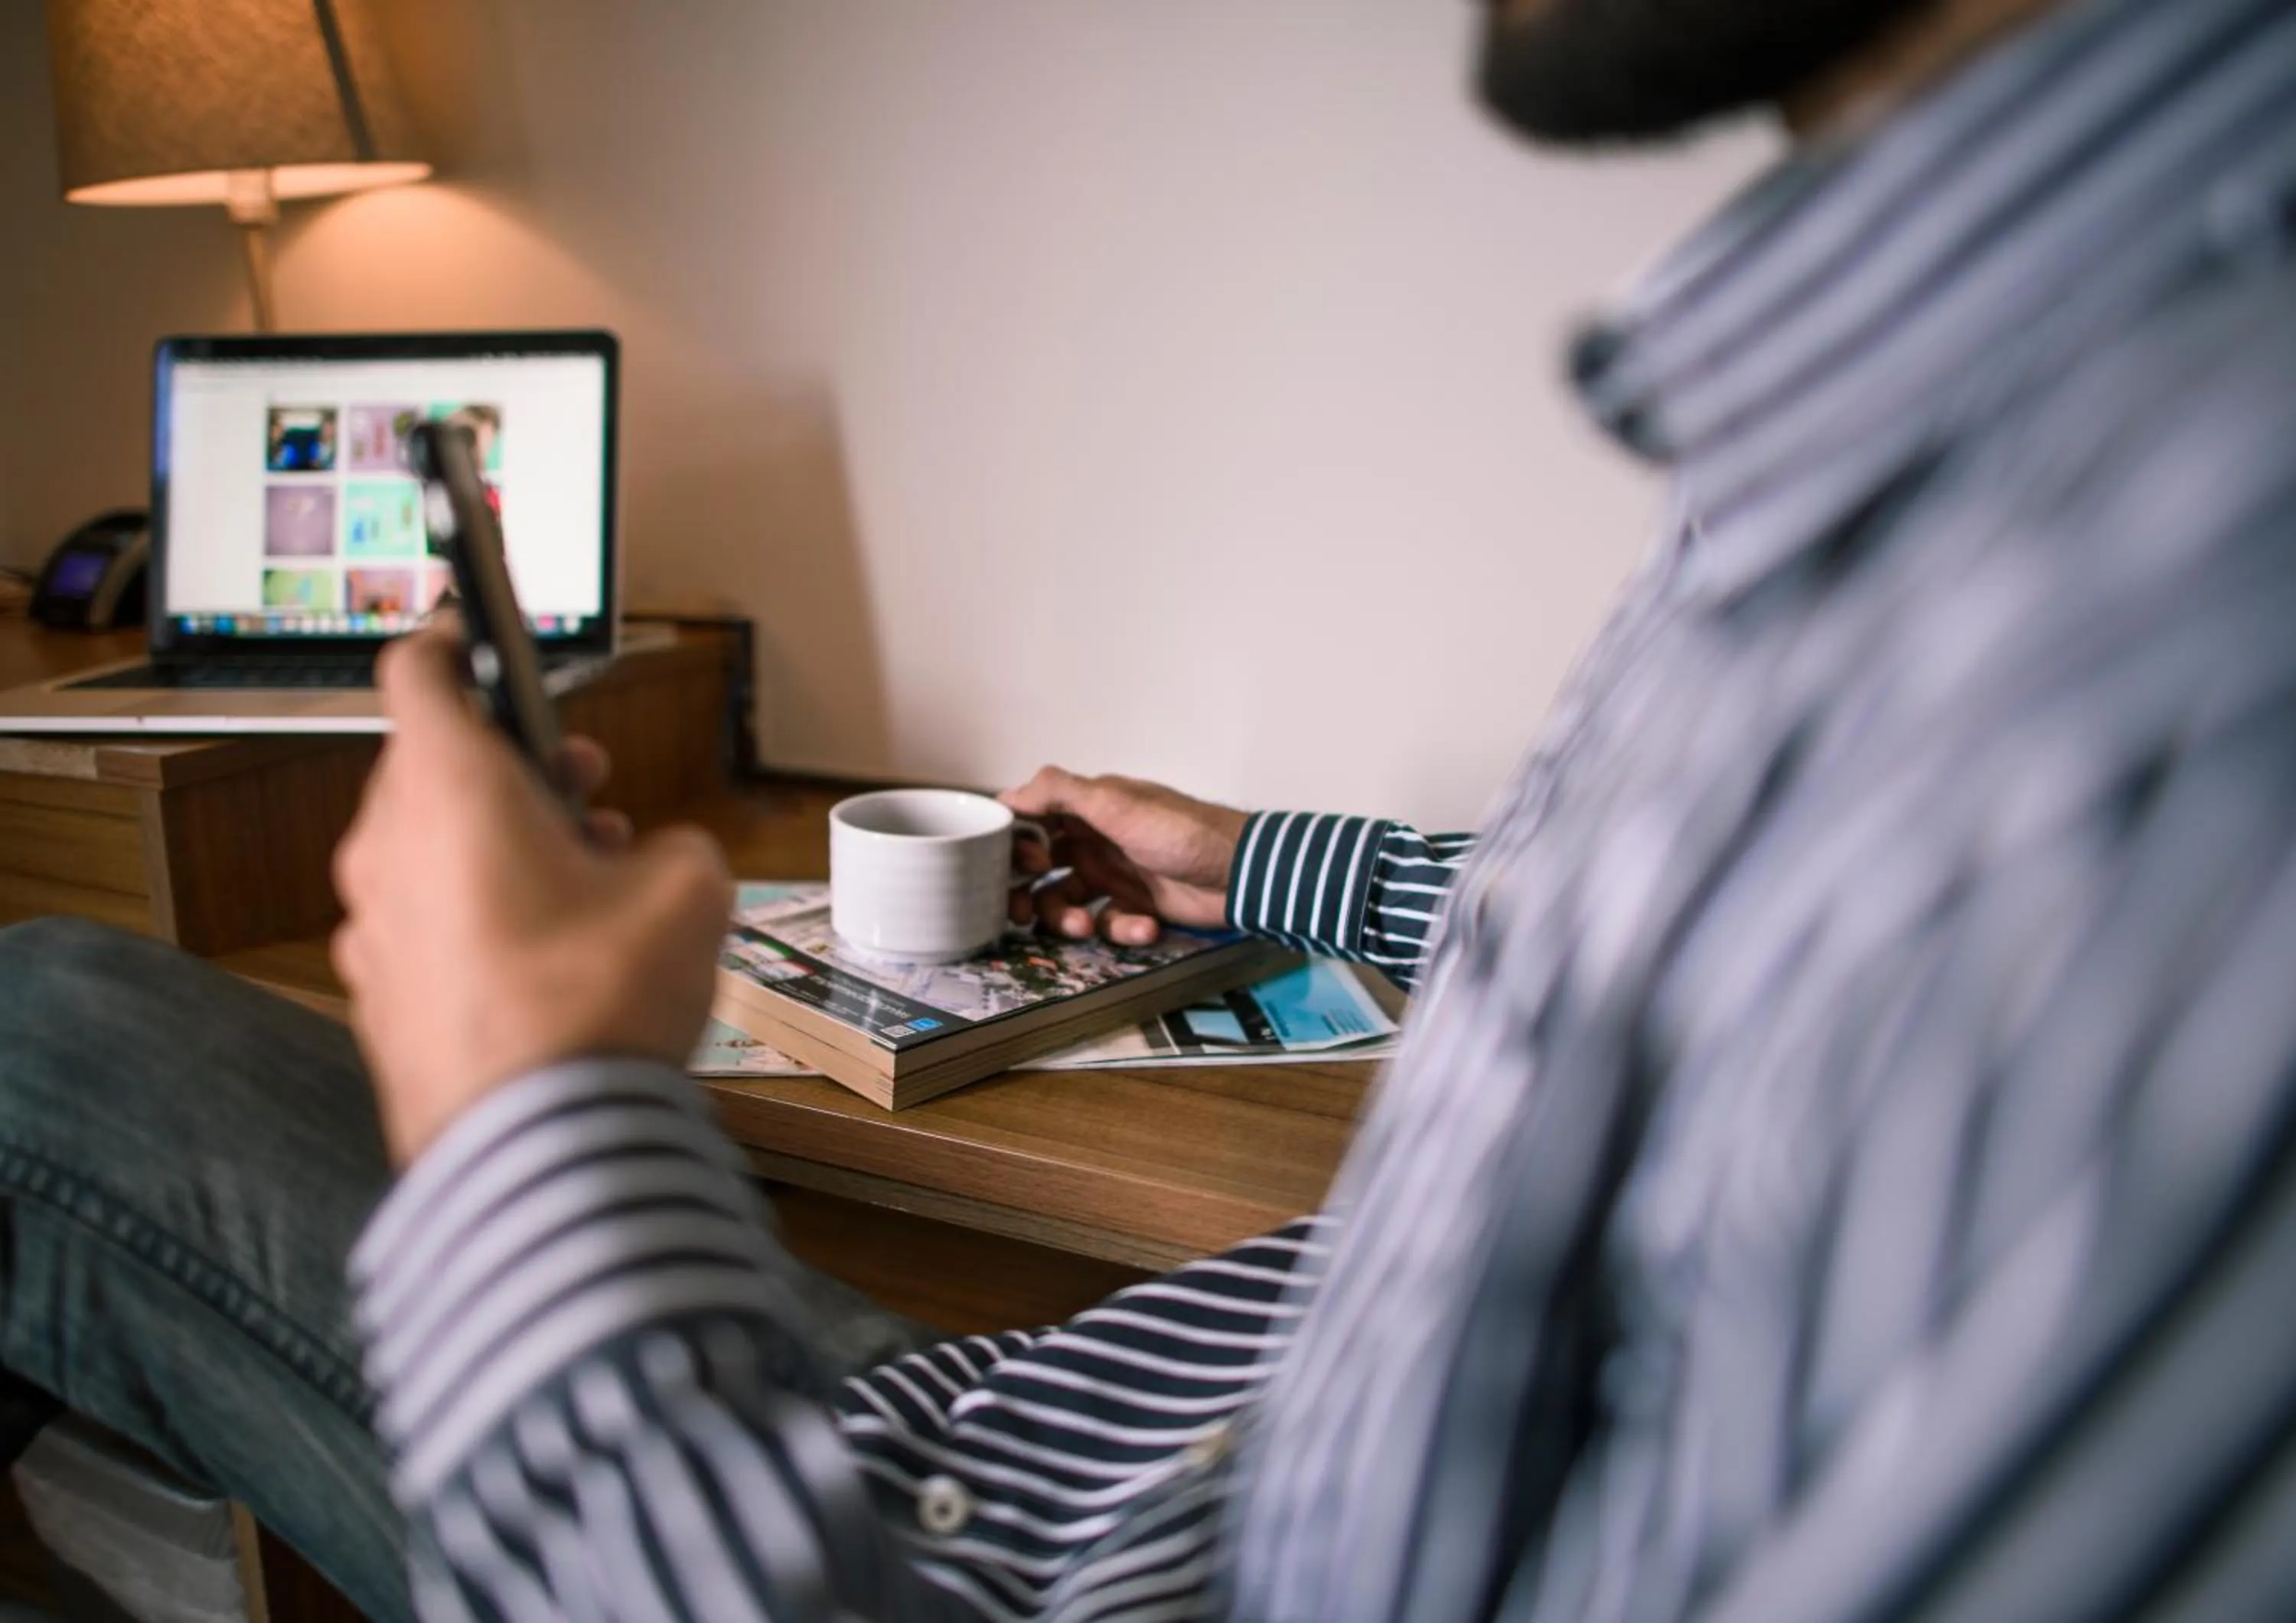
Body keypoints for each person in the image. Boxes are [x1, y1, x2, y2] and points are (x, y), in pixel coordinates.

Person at [5, 0, 2295, 1615]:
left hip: (948, 1553)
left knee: (34, 1055)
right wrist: (1268, 863)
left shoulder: (2177, 708)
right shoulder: (1960, 420)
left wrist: (520, 1115)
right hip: (1117, 1444)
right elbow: (1739, 993)